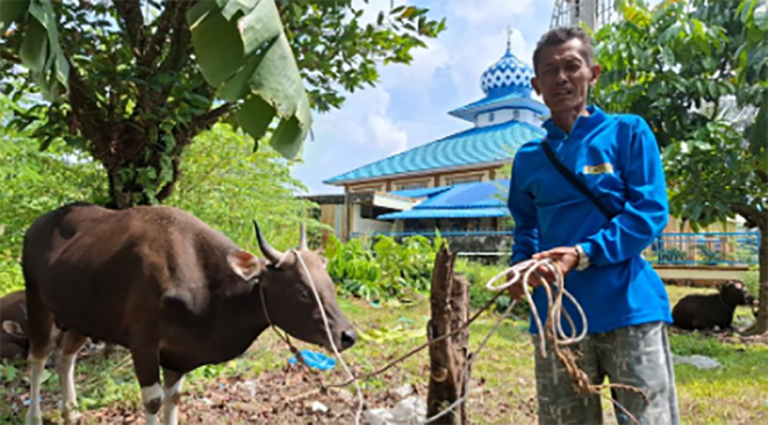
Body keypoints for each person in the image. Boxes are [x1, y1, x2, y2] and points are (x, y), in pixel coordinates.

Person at [505, 27, 680, 425]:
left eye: (572, 66)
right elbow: (526, 225)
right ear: (536, 85)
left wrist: (583, 253)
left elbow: (649, 211)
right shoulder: (528, 158)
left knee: (647, 420)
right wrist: (521, 267)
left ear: (593, 73)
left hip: (629, 307)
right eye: (550, 71)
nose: (562, 78)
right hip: (557, 317)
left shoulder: (627, 131)